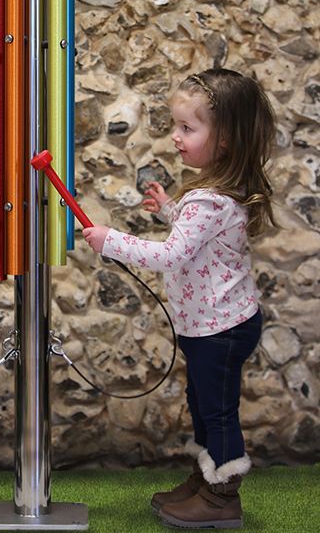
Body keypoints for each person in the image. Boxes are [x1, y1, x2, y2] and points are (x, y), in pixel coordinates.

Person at [83, 69, 276, 529]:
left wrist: (111, 240)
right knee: (203, 404)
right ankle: (206, 476)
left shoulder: (208, 200)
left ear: (225, 139)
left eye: (188, 129)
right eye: (176, 127)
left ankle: (223, 496)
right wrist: (170, 208)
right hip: (211, 326)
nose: (175, 138)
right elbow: (202, 242)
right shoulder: (212, 196)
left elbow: (172, 255)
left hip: (220, 330)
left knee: (217, 411)